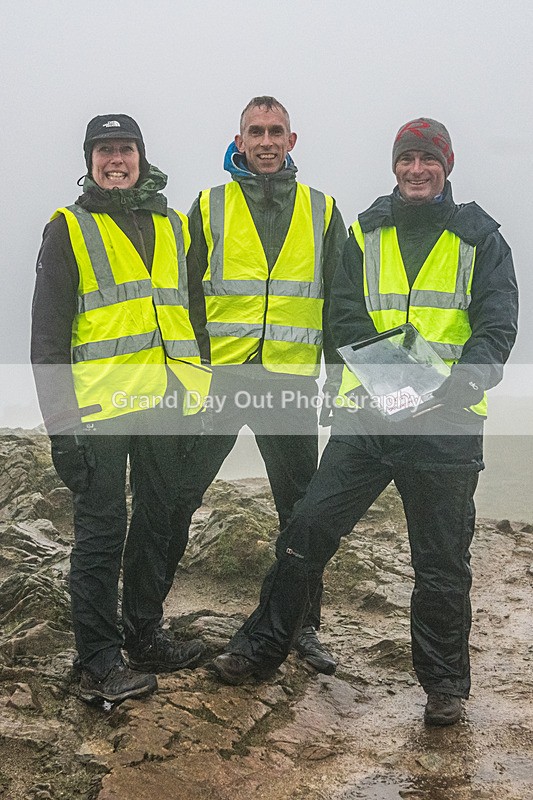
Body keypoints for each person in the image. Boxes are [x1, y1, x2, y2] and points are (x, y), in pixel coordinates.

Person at [211, 117, 519, 726]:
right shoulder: (365, 232)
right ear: (395, 165)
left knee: (440, 564)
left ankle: (444, 686)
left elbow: (496, 330)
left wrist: (451, 389)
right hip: (368, 419)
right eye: (407, 159)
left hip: (446, 427)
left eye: (427, 160)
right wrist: (397, 385)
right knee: (306, 530)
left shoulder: (484, 239)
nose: (416, 170)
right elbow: (343, 318)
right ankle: (263, 645)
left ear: (445, 166)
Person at [31, 114, 212, 703]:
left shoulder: (175, 226)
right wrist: (62, 430)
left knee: (159, 523)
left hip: (165, 406)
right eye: (105, 150)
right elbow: (48, 342)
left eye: (126, 149)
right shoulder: (67, 229)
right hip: (99, 413)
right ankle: (99, 660)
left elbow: (194, 320)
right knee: (102, 535)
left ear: (141, 156)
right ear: (89, 161)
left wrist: (198, 399)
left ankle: (144, 633)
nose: (116, 160)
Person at [163, 96, 346, 674]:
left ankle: (302, 627)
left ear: (292, 141)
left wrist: (341, 388)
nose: (265, 141)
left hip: (290, 381)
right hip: (220, 379)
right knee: (176, 495)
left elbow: (342, 305)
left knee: (301, 509)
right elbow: (183, 295)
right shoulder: (208, 205)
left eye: (275, 132)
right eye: (254, 132)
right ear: (239, 140)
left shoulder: (323, 210)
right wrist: (189, 372)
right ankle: (144, 626)